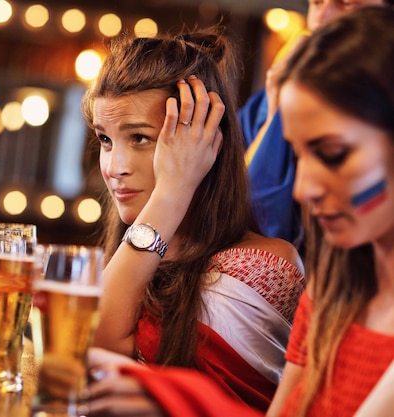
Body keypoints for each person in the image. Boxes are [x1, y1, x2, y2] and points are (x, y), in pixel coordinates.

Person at [85, 6, 394, 417]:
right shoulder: (331, 291)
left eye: (333, 154)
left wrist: (183, 401)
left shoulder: (260, 265)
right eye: (297, 157)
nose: (301, 189)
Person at [80, 25, 305, 412]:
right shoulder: (133, 259)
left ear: (203, 141)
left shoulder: (260, 266)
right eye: (105, 139)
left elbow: (96, 351)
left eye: (140, 138)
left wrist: (173, 190)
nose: (114, 166)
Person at [239, 0, 391, 249]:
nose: (320, 20)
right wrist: (274, 113)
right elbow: (233, 219)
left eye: (347, 4)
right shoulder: (268, 103)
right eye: (316, 3)